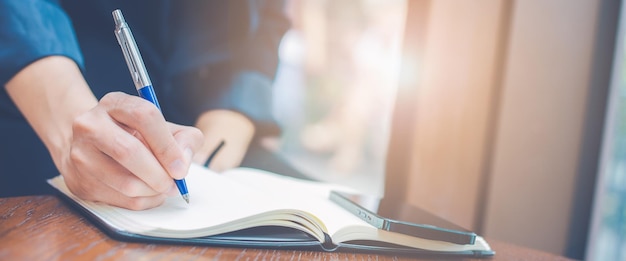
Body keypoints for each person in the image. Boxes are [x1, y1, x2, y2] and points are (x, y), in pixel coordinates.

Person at [0, 0, 290, 210]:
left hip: (209, 125)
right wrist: (69, 128)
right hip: (45, 110)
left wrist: (237, 104)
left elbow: (268, 13)